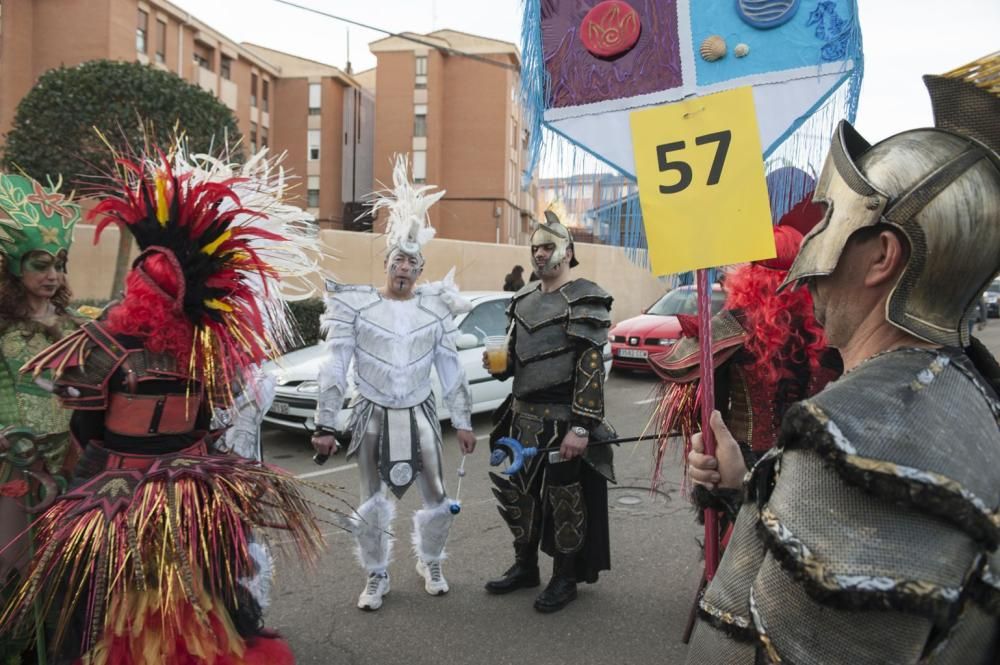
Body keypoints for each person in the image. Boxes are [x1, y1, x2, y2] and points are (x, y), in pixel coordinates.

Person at [684, 56, 1000, 663]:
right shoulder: (969, 385)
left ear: (881, 255)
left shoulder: (858, 440)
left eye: (828, 219)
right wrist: (741, 486)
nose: (809, 247)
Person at [0, 146, 335, 664]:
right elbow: (208, 420)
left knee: (113, 594)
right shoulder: (203, 355)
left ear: (138, 288)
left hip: (119, 489)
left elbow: (86, 431)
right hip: (194, 486)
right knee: (196, 583)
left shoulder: (105, 347)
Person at [311, 154, 477, 612]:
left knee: (438, 495)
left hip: (421, 412)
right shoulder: (356, 305)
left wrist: (463, 421)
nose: (404, 268)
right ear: (386, 263)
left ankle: (431, 560)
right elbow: (335, 365)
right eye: (398, 260)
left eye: (412, 263)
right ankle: (376, 573)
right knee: (370, 499)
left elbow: (450, 368)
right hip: (371, 411)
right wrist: (325, 424)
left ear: (420, 271)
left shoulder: (436, 308)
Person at [650, 203, 842, 508]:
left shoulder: (732, 328)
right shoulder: (838, 333)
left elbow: (694, 398)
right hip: (821, 478)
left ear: (750, 277)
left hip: (745, 473)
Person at [483, 203, 615, 613]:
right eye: (535, 247)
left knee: (565, 502)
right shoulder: (520, 301)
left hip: (563, 422)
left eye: (548, 247)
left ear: (568, 250)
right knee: (520, 496)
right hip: (522, 418)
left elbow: (590, 368)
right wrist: (499, 368)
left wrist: (581, 427)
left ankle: (564, 577)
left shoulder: (585, 297)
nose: (540, 254)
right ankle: (525, 567)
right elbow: (517, 359)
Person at [0, 173, 85, 664]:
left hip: (66, 462)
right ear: (16, 266)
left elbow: (87, 389)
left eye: (58, 264)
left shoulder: (74, 323)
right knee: (12, 562)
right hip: (12, 462)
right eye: (40, 263)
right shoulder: (3, 324)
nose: (51, 274)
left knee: (61, 563)